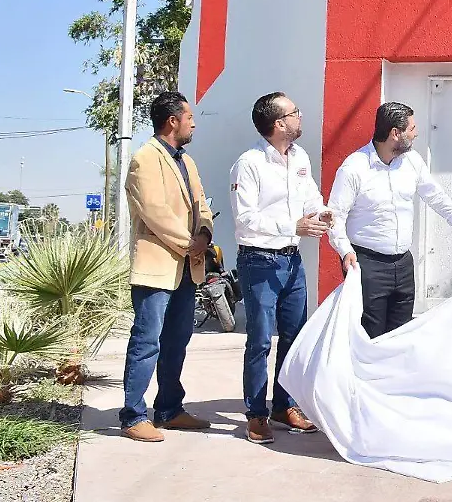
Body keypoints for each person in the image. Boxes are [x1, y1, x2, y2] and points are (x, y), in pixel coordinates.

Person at [328, 102, 452, 339]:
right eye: (412, 128)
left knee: (400, 334)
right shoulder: (354, 168)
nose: (416, 133)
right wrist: (345, 251)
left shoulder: (412, 162)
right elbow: (335, 217)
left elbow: (437, 198)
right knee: (369, 336)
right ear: (395, 133)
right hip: (367, 265)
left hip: (403, 265)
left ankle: (392, 377)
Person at [229, 92, 330, 445]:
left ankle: (283, 406)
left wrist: (322, 213)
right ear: (278, 124)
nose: (300, 116)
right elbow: (244, 221)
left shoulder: (300, 157)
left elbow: (310, 198)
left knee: (294, 336)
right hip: (259, 261)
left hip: (292, 261)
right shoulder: (249, 163)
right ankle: (256, 415)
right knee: (259, 341)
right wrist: (294, 227)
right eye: (294, 112)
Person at [119, 92, 215, 442]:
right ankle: (133, 416)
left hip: (188, 267)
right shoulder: (145, 158)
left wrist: (204, 231)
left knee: (177, 341)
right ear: (172, 120)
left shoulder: (186, 161)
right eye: (189, 116)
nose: (193, 122)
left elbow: (201, 202)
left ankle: (169, 410)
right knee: (147, 341)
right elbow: (155, 211)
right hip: (157, 267)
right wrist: (189, 244)